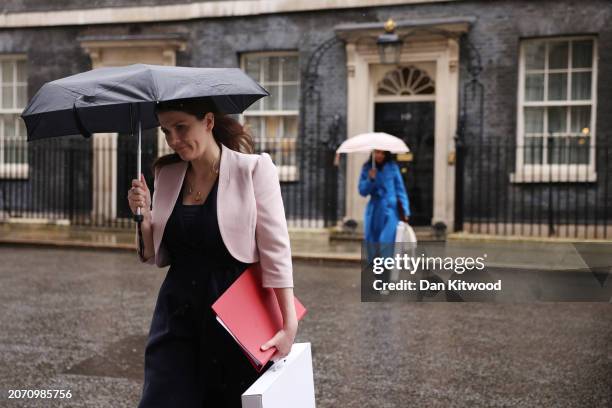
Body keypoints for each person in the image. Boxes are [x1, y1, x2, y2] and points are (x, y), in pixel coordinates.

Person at [127, 98, 297, 408]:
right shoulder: (166, 173)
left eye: (181, 127)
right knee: (162, 398)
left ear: (207, 122)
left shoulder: (254, 170)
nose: (173, 140)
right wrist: (144, 215)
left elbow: (276, 250)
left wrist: (288, 324)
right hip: (176, 309)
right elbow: (152, 254)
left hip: (234, 308)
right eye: (166, 131)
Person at [358, 149, 411, 269]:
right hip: (374, 211)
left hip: (391, 211)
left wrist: (405, 210)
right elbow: (362, 191)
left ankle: (385, 280)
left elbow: (400, 190)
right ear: (372, 153)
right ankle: (379, 279)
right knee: (373, 246)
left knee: (386, 243)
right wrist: (370, 180)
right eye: (377, 152)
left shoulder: (393, 168)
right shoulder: (367, 168)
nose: (379, 155)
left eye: (382, 153)